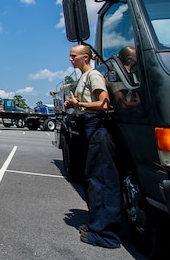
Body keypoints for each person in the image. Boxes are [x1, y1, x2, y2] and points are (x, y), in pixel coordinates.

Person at [64, 44, 121, 249]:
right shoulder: (84, 78)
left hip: (96, 128)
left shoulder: (94, 75)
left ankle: (105, 235)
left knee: (101, 180)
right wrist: (74, 104)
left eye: (74, 56)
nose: (70, 59)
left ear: (85, 58)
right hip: (88, 127)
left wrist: (80, 105)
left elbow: (104, 104)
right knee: (93, 179)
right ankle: (97, 225)